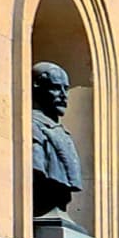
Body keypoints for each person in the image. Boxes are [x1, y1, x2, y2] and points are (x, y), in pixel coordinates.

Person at [31, 62, 83, 220]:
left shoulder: (62, 133)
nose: (63, 95)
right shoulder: (33, 126)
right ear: (37, 88)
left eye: (65, 89)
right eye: (55, 88)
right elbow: (37, 167)